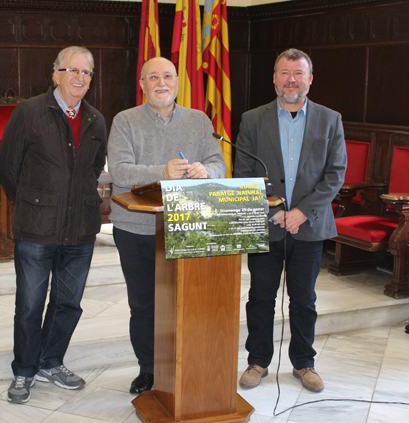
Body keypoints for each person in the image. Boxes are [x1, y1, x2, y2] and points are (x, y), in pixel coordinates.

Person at [108, 56, 227, 394]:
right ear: (142, 85)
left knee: (186, 302)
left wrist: (207, 171)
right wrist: (162, 171)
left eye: (168, 76)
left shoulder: (199, 120)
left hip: (189, 226)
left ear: (177, 81)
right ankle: (148, 369)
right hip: (135, 228)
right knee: (144, 304)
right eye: (153, 77)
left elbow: (218, 163)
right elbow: (120, 170)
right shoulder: (124, 120)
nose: (161, 83)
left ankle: (184, 363)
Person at [0, 46, 107, 404]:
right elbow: (9, 167)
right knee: (30, 305)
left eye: (86, 72)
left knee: (68, 303)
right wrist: (36, 202)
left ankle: (51, 361)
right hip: (36, 228)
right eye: (72, 70)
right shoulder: (29, 112)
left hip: (80, 229)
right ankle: (24, 369)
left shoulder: (96, 119)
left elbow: (93, 169)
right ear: (55, 74)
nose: (79, 77)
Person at [234, 48, 346, 392]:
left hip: (310, 226)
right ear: (274, 78)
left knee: (304, 300)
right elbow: (244, 174)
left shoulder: (330, 119)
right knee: (260, 298)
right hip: (267, 225)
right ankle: (258, 361)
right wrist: (274, 211)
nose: (291, 80)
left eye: (298, 73)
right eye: (285, 73)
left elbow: (335, 173)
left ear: (310, 79)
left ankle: (304, 363)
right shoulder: (253, 119)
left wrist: (301, 212)